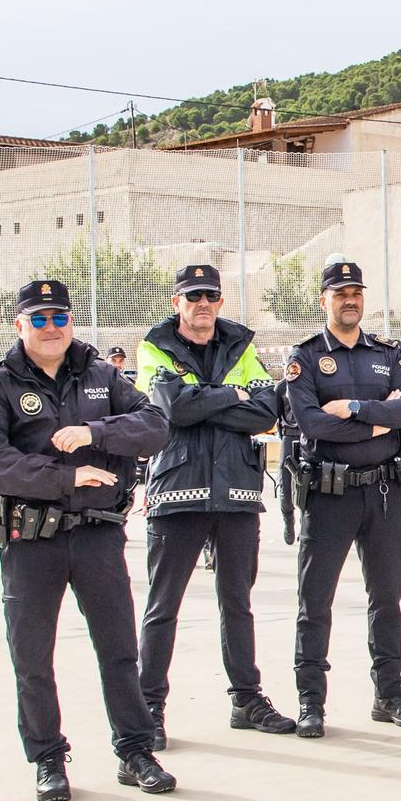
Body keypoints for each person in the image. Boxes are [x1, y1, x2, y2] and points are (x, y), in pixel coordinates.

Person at [0, 279, 173, 801]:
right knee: (33, 657)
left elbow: (154, 426)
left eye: (59, 316)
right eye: (38, 318)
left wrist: (95, 434)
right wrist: (67, 476)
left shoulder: (103, 375)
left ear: (72, 320)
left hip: (98, 536)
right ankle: (48, 758)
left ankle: (135, 751)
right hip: (31, 540)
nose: (51, 327)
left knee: (120, 651)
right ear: (20, 324)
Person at [134, 262, 294, 749]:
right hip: (176, 493)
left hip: (237, 494)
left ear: (221, 302)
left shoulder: (241, 347)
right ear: (176, 302)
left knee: (237, 604)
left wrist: (207, 400)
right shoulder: (153, 348)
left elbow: (268, 409)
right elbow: (171, 408)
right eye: (193, 296)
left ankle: (246, 699)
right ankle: (149, 710)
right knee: (163, 608)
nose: (202, 305)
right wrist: (233, 397)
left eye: (211, 296)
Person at [282, 255, 401, 738]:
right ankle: (311, 703)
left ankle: (389, 695)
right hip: (328, 494)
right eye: (340, 293)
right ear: (324, 300)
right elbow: (312, 423)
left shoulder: (387, 353)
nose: (350, 300)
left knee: (387, 599)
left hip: (383, 492)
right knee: (314, 601)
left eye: (356, 292)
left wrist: (360, 409)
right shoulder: (303, 357)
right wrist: (381, 420)